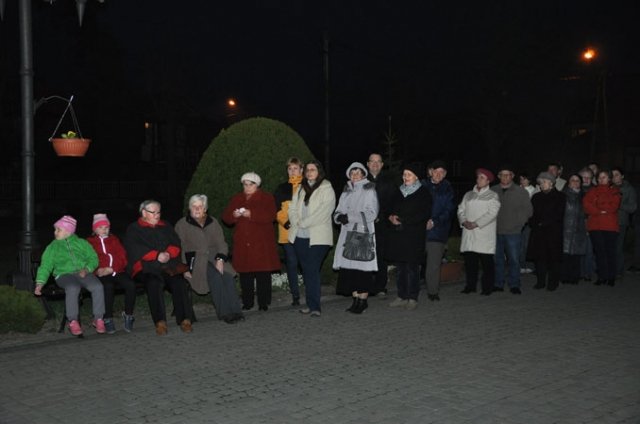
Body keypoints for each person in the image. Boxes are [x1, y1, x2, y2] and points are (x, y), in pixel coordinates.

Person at [125, 200, 193, 335]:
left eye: (158, 212)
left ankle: (185, 320)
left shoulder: (165, 225)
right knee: (154, 283)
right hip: (145, 268)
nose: (157, 215)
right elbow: (135, 249)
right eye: (153, 212)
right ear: (144, 212)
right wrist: (156, 255)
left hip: (167, 266)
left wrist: (168, 254)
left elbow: (176, 243)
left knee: (179, 282)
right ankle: (160, 322)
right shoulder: (134, 229)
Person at [175, 194, 244, 324]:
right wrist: (184, 268)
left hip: (214, 256)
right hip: (194, 260)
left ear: (205, 209)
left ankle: (236, 311)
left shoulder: (212, 222)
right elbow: (179, 248)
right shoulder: (182, 224)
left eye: (200, 206)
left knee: (227, 276)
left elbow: (221, 243)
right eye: (194, 206)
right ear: (189, 208)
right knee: (215, 277)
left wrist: (220, 259)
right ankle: (225, 313)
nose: (197, 209)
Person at [34, 215, 106, 336]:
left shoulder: (81, 243)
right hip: (63, 275)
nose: (55, 232)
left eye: (59, 229)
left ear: (68, 231)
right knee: (73, 288)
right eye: (55, 229)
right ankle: (73, 320)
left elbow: (93, 258)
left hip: (82, 273)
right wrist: (40, 282)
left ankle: (98, 318)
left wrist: (87, 269)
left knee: (97, 286)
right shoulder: (53, 247)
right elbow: (45, 265)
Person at [222, 172, 281, 311]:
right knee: (245, 273)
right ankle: (247, 302)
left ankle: (263, 302)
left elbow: (271, 216)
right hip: (243, 242)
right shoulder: (237, 198)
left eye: (251, 185)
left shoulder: (266, 198)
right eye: (245, 185)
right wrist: (234, 215)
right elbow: (226, 217)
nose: (247, 188)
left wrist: (252, 214)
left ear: (257, 185)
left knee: (263, 273)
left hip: (261, 242)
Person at [288, 160, 336, 317]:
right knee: (307, 271)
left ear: (319, 171)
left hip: (318, 237)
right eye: (307, 170)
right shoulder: (301, 188)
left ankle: (315, 307)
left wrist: (304, 223)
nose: (309, 172)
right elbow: (292, 208)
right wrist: (296, 221)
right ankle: (310, 304)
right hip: (300, 236)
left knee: (312, 269)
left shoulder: (326, 188)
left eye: (313, 169)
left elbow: (324, 211)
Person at [333, 162, 379, 314]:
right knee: (350, 270)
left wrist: (350, 217)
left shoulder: (369, 190)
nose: (355, 175)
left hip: (361, 234)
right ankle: (355, 301)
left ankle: (362, 302)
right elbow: (338, 210)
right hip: (347, 234)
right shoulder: (346, 191)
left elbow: (372, 213)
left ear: (364, 174)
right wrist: (339, 217)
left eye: (358, 173)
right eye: (352, 173)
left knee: (362, 270)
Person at [386, 162, 432, 309]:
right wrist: (391, 217)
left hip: (414, 236)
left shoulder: (423, 193)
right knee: (400, 268)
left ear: (416, 177)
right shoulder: (398, 191)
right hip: (399, 235)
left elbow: (424, 214)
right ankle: (401, 296)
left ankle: (412, 298)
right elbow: (389, 208)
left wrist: (404, 220)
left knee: (412, 268)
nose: (405, 177)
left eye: (409, 174)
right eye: (404, 174)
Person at [87, 213, 137, 334]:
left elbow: (122, 257)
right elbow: (88, 259)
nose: (104, 230)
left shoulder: (114, 240)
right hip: (100, 273)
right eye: (100, 227)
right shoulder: (90, 242)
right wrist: (97, 270)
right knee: (107, 286)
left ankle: (128, 314)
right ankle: (107, 317)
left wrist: (112, 268)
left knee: (130, 285)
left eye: (106, 227)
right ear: (95, 229)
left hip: (116, 270)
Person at [457, 168, 500, 296]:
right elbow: (460, 209)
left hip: (483, 234)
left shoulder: (492, 196)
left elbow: (492, 213)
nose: (478, 179)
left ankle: (487, 287)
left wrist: (476, 223)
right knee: (470, 262)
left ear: (488, 181)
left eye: (482, 177)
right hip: (469, 233)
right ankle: (470, 286)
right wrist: (464, 221)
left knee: (487, 263)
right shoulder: (468, 194)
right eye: (478, 177)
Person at [490, 165, 532, 295]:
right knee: (498, 260)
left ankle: (514, 284)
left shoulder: (521, 192)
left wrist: (519, 224)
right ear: (498, 176)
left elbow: (528, 211)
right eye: (502, 174)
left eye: (508, 174)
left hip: (513, 232)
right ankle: (498, 283)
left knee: (514, 260)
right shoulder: (492, 191)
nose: (505, 177)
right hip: (495, 231)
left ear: (512, 176)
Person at [366, 153, 398, 297]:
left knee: (381, 255)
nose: (375, 164)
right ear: (367, 164)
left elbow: (393, 203)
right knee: (366, 254)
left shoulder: (389, 182)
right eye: (372, 161)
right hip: (365, 225)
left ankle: (380, 286)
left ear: (382, 165)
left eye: (378, 161)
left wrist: (383, 217)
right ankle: (366, 285)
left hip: (382, 225)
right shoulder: (361, 180)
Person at [273, 157, 304, 306]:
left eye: (295, 168)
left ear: (301, 170)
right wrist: (285, 222)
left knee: (306, 263)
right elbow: (276, 209)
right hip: (287, 232)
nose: (292, 171)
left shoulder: (307, 186)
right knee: (291, 263)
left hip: (305, 231)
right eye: (290, 168)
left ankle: (311, 292)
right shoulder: (282, 188)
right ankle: (295, 295)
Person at [422, 160, 455, 301]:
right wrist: (422, 221)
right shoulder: (422, 185)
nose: (438, 174)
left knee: (434, 264)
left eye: (442, 172)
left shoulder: (448, 189)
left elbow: (449, 210)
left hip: (438, 232)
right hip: (419, 230)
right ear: (431, 172)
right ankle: (409, 292)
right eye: (436, 171)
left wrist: (434, 221)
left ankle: (433, 291)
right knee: (413, 262)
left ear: (445, 174)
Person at [583, 169, 621, 286]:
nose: (601, 179)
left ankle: (611, 276)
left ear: (609, 178)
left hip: (610, 226)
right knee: (599, 252)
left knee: (610, 252)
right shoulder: (592, 191)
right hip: (595, 225)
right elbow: (586, 205)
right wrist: (599, 210)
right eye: (599, 177)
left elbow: (613, 206)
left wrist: (597, 205)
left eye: (604, 177)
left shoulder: (614, 191)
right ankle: (602, 276)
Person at [528, 172, 565, 291]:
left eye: (544, 182)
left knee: (554, 258)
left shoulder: (560, 197)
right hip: (539, 232)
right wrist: (534, 223)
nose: (541, 184)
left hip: (553, 232)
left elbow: (559, 214)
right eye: (540, 182)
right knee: (540, 258)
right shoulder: (536, 197)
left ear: (551, 183)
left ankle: (553, 282)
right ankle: (540, 281)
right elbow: (531, 213)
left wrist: (544, 223)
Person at [560, 174, 588, 285]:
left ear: (580, 183)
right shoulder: (562, 195)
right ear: (568, 182)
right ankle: (564, 276)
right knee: (565, 253)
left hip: (579, 228)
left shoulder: (585, 196)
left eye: (577, 180)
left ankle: (574, 277)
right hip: (565, 228)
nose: (575, 182)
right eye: (572, 180)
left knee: (576, 254)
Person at [611, 167, 637, 277]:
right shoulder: (609, 187)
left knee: (618, 247)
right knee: (609, 246)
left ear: (622, 176)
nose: (614, 177)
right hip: (608, 221)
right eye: (612, 175)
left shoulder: (629, 189)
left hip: (621, 222)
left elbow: (633, 207)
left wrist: (619, 204)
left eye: (616, 174)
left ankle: (618, 271)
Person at [578, 166, 596, 281]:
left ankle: (588, 272)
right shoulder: (574, 189)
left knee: (589, 249)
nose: (586, 180)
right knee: (579, 249)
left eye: (589, 177)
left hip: (591, 222)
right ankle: (579, 272)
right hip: (577, 223)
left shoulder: (595, 191)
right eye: (584, 177)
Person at [518, 172, 536, 274]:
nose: (522, 181)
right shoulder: (517, 189)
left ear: (529, 180)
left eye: (524, 179)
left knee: (527, 243)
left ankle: (529, 265)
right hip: (517, 221)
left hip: (529, 221)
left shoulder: (534, 191)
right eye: (521, 179)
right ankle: (520, 265)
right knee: (519, 244)